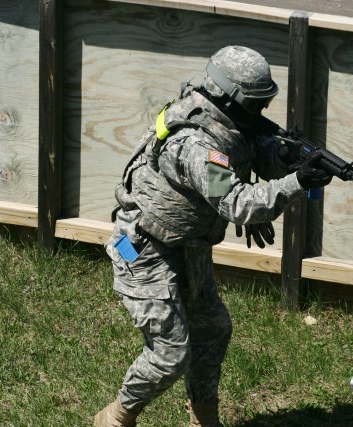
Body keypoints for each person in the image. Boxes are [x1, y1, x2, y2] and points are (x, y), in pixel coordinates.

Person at [94, 45, 333, 427]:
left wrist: (291, 159)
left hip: (188, 244)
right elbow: (238, 203)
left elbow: (252, 152)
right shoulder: (195, 143)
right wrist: (296, 182)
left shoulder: (231, 121)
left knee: (212, 329)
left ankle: (204, 416)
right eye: (256, 104)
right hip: (143, 248)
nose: (261, 112)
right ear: (229, 96)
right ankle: (116, 416)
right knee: (169, 354)